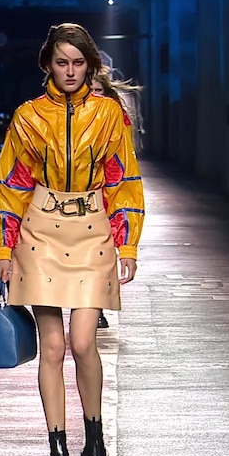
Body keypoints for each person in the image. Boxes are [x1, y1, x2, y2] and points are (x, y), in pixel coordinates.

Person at [0, 23, 145, 456]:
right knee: (52, 348)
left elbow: (123, 179)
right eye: (62, 62)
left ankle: (95, 447)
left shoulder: (109, 114)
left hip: (93, 228)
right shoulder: (28, 116)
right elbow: (10, 183)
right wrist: (3, 247)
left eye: (78, 63)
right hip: (39, 232)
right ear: (48, 65)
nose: (71, 71)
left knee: (82, 342)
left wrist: (128, 243)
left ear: (90, 65)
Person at [90, 70, 145, 330]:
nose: (94, 95)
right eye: (90, 90)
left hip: (105, 196)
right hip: (71, 200)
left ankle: (95, 307)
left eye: (98, 90)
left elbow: (122, 167)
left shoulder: (116, 119)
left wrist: (128, 247)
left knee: (98, 256)